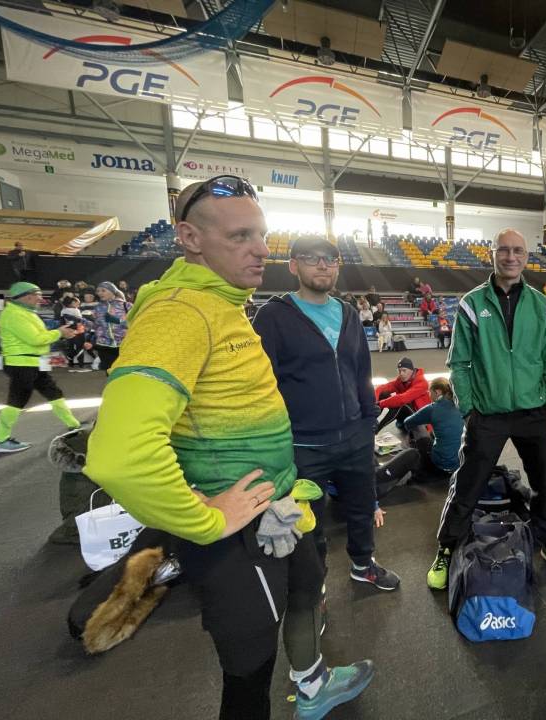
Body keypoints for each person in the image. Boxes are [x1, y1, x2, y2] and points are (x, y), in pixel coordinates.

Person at [85, 177, 373, 720]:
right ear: (190, 238)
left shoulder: (224, 304)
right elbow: (118, 454)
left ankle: (313, 686)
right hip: (238, 533)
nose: (261, 249)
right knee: (249, 669)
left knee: (307, 590)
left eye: (261, 234)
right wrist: (206, 519)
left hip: (281, 505)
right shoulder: (180, 312)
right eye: (240, 236)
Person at [428, 228, 546, 590]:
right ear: (491, 255)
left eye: (518, 251)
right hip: (487, 414)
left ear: (526, 257)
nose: (511, 257)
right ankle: (447, 547)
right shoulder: (471, 303)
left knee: (543, 483)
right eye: (504, 250)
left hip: (534, 412)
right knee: (469, 483)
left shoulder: (540, 305)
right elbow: (459, 363)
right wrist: (469, 409)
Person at [253, 235, 400, 593]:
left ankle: (363, 565)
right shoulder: (273, 316)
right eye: (311, 258)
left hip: (354, 438)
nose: (322, 265)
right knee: (309, 522)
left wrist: (368, 423)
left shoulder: (348, 314)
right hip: (304, 445)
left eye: (330, 259)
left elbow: (361, 372)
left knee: (361, 510)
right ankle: (314, 583)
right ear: (293, 266)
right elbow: (262, 386)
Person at [0, 282, 81, 453]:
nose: (41, 298)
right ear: (28, 296)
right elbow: (35, 339)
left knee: (53, 393)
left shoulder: (24, 312)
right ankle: (0, 439)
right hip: (21, 364)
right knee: (17, 400)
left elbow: (39, 336)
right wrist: (59, 333)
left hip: (31, 362)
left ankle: (74, 424)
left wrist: (59, 332)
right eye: (38, 295)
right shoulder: (14, 315)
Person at [396, 377, 463, 480]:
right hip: (461, 462)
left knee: (417, 425)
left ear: (437, 392)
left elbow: (407, 422)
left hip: (443, 463)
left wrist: (423, 420)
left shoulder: (432, 408)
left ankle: (416, 458)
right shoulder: (461, 405)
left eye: (429, 392)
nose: (429, 395)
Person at [375, 357, 430, 431]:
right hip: (407, 417)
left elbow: (402, 399)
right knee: (384, 394)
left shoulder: (422, 383)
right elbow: (382, 388)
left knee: (399, 403)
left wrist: (380, 404)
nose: (401, 374)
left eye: (404, 370)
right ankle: (371, 421)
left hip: (421, 421)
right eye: (399, 371)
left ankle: (376, 429)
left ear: (412, 370)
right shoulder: (401, 381)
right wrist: (374, 401)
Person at [92, 281, 132, 372]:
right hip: (104, 345)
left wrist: (116, 321)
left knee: (123, 372)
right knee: (108, 372)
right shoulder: (98, 308)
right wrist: (83, 322)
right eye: (98, 291)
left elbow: (135, 323)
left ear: (112, 291)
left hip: (123, 345)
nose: (100, 293)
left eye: (103, 290)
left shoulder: (127, 305)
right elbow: (95, 326)